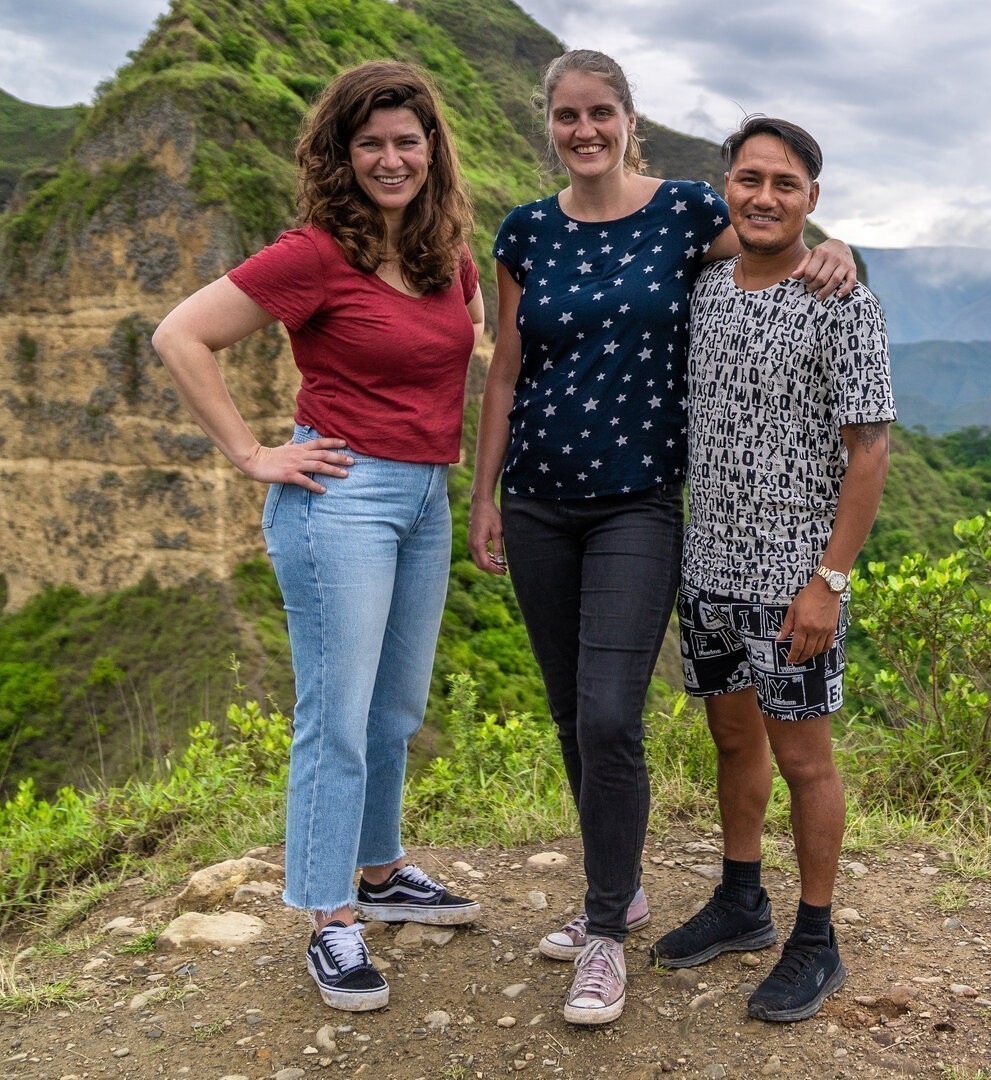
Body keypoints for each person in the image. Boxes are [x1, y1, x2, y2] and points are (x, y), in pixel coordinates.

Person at [467, 51, 856, 1027]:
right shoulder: (525, 229)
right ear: (548, 122)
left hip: (640, 503)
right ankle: (624, 885)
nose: (585, 130)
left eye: (601, 113)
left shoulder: (684, 212)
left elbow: (774, 235)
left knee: (609, 715)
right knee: (570, 714)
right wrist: (482, 495)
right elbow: (506, 371)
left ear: (629, 120)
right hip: (538, 501)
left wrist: (839, 244)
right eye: (567, 115)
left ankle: (604, 933)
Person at [153, 60, 484, 1013]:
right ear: (343, 154)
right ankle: (329, 915)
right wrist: (253, 453)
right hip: (340, 492)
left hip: (424, 495)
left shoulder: (442, 252)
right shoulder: (313, 253)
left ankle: (379, 874)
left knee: (394, 709)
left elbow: (467, 340)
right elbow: (181, 335)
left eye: (406, 141)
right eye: (371, 142)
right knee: (335, 714)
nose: (391, 158)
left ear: (432, 151)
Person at [649, 116, 893, 1024]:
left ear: (811, 200)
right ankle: (741, 899)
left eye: (784, 184)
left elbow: (868, 449)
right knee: (731, 739)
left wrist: (830, 579)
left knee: (804, 757)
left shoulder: (840, 300)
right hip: (707, 567)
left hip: (793, 581)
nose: (763, 196)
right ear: (727, 190)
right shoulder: (705, 287)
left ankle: (816, 939)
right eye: (748, 179)